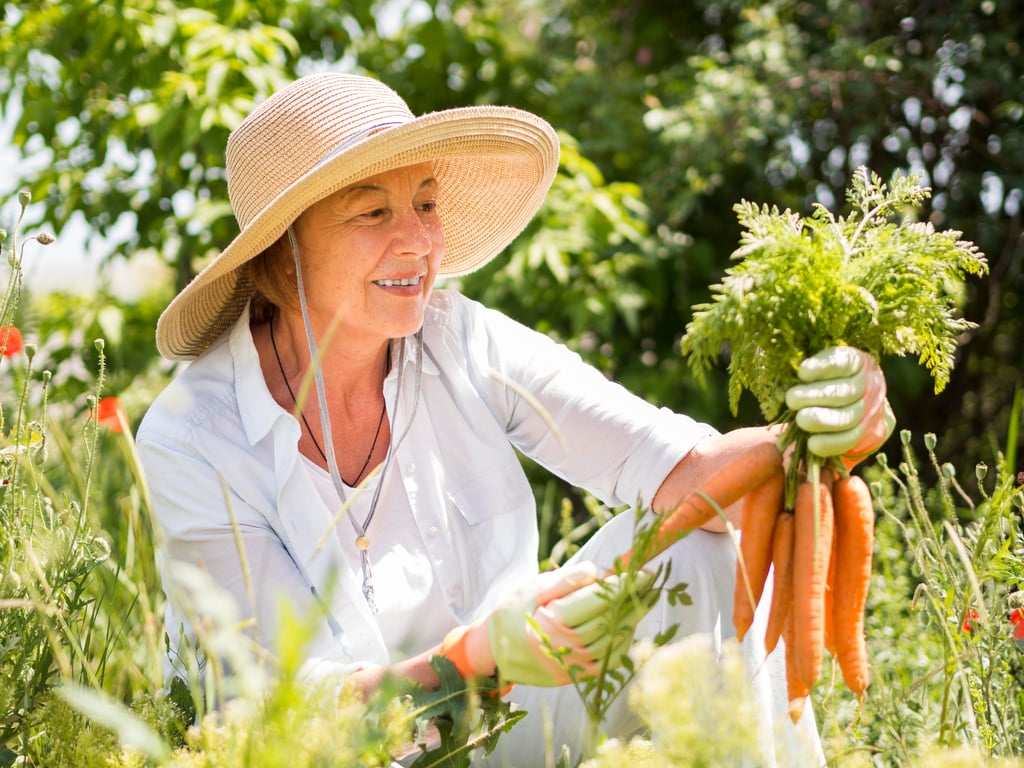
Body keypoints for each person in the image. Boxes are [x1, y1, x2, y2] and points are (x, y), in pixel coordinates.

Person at [136, 72, 893, 766]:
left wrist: (815, 430)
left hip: (506, 727)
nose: (422, 241)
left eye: (426, 203)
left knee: (700, 543)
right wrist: (466, 659)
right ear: (280, 254)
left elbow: (682, 472)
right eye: (373, 211)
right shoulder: (195, 439)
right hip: (336, 751)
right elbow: (289, 712)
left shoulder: (460, 337)